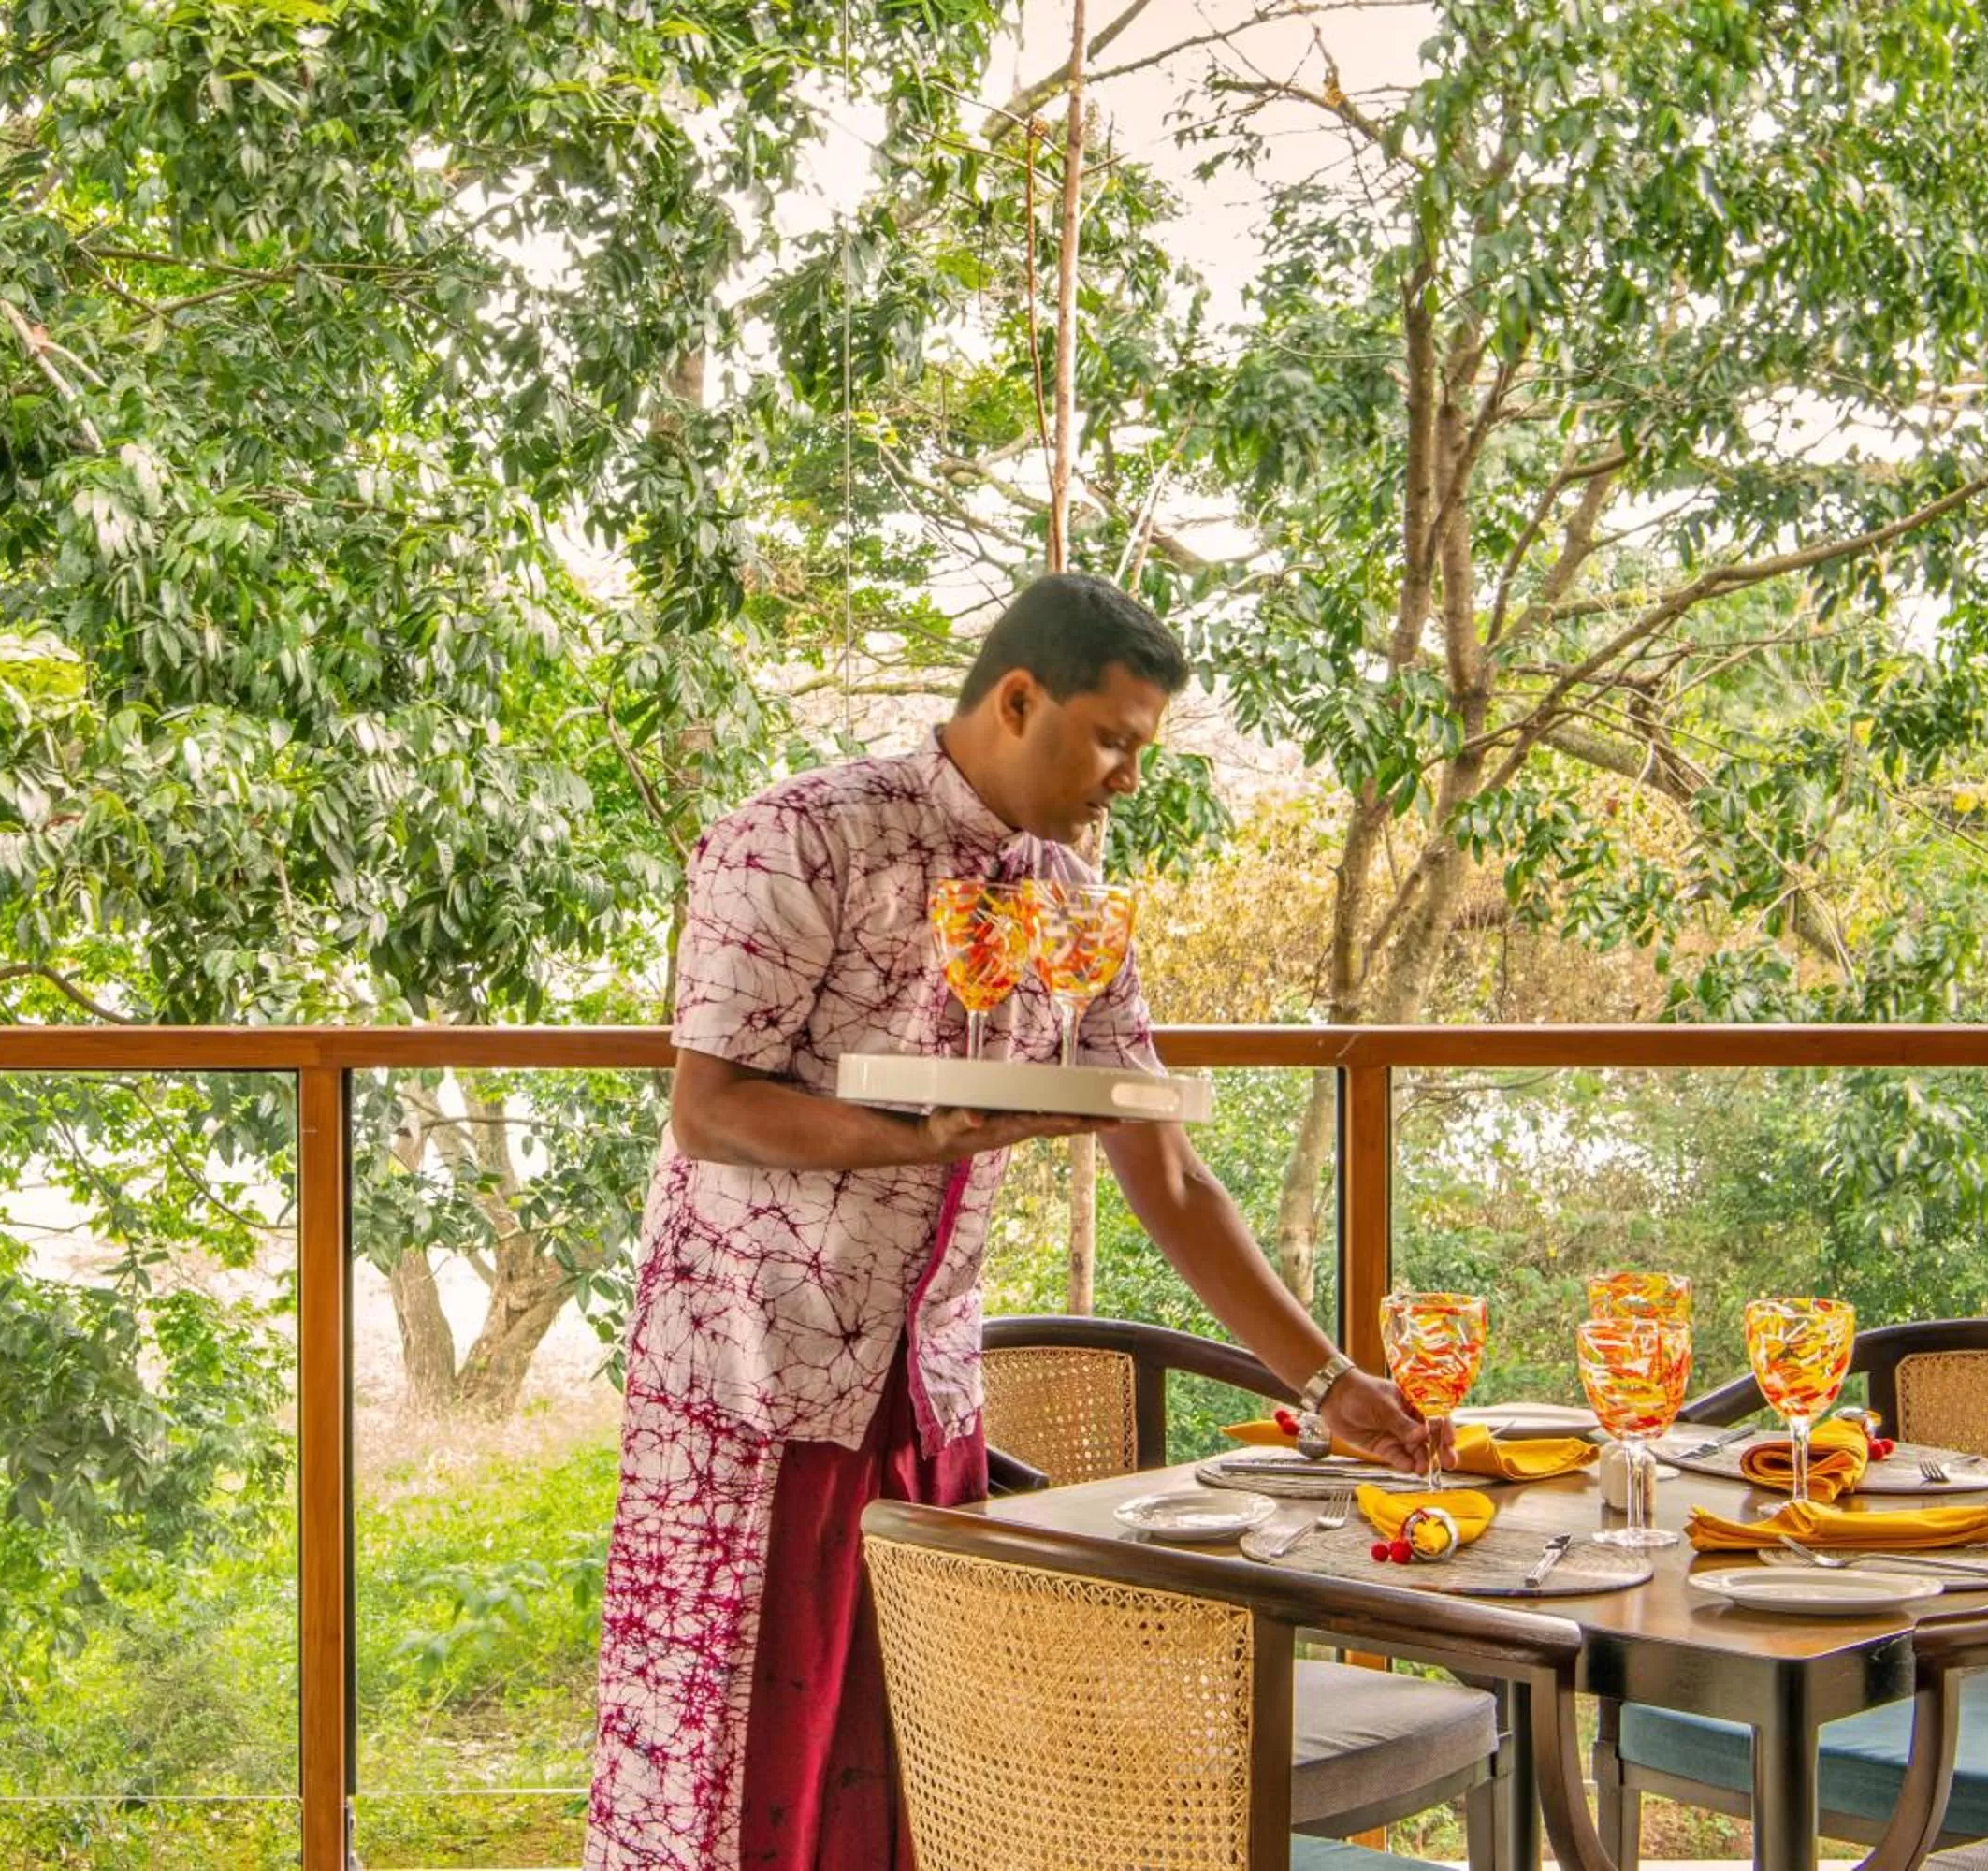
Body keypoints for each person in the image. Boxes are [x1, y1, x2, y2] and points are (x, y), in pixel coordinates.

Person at [583, 573, 1441, 1871]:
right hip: (752, 1393)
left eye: (1142, 751)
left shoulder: (1079, 908)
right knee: (737, 1778)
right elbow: (710, 1110)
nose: (1127, 780)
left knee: (937, 1770)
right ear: (1019, 697)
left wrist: (1326, 1380)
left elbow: (1172, 1176)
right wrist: (914, 1141)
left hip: (927, 1396)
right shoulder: (799, 838)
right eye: (1112, 739)